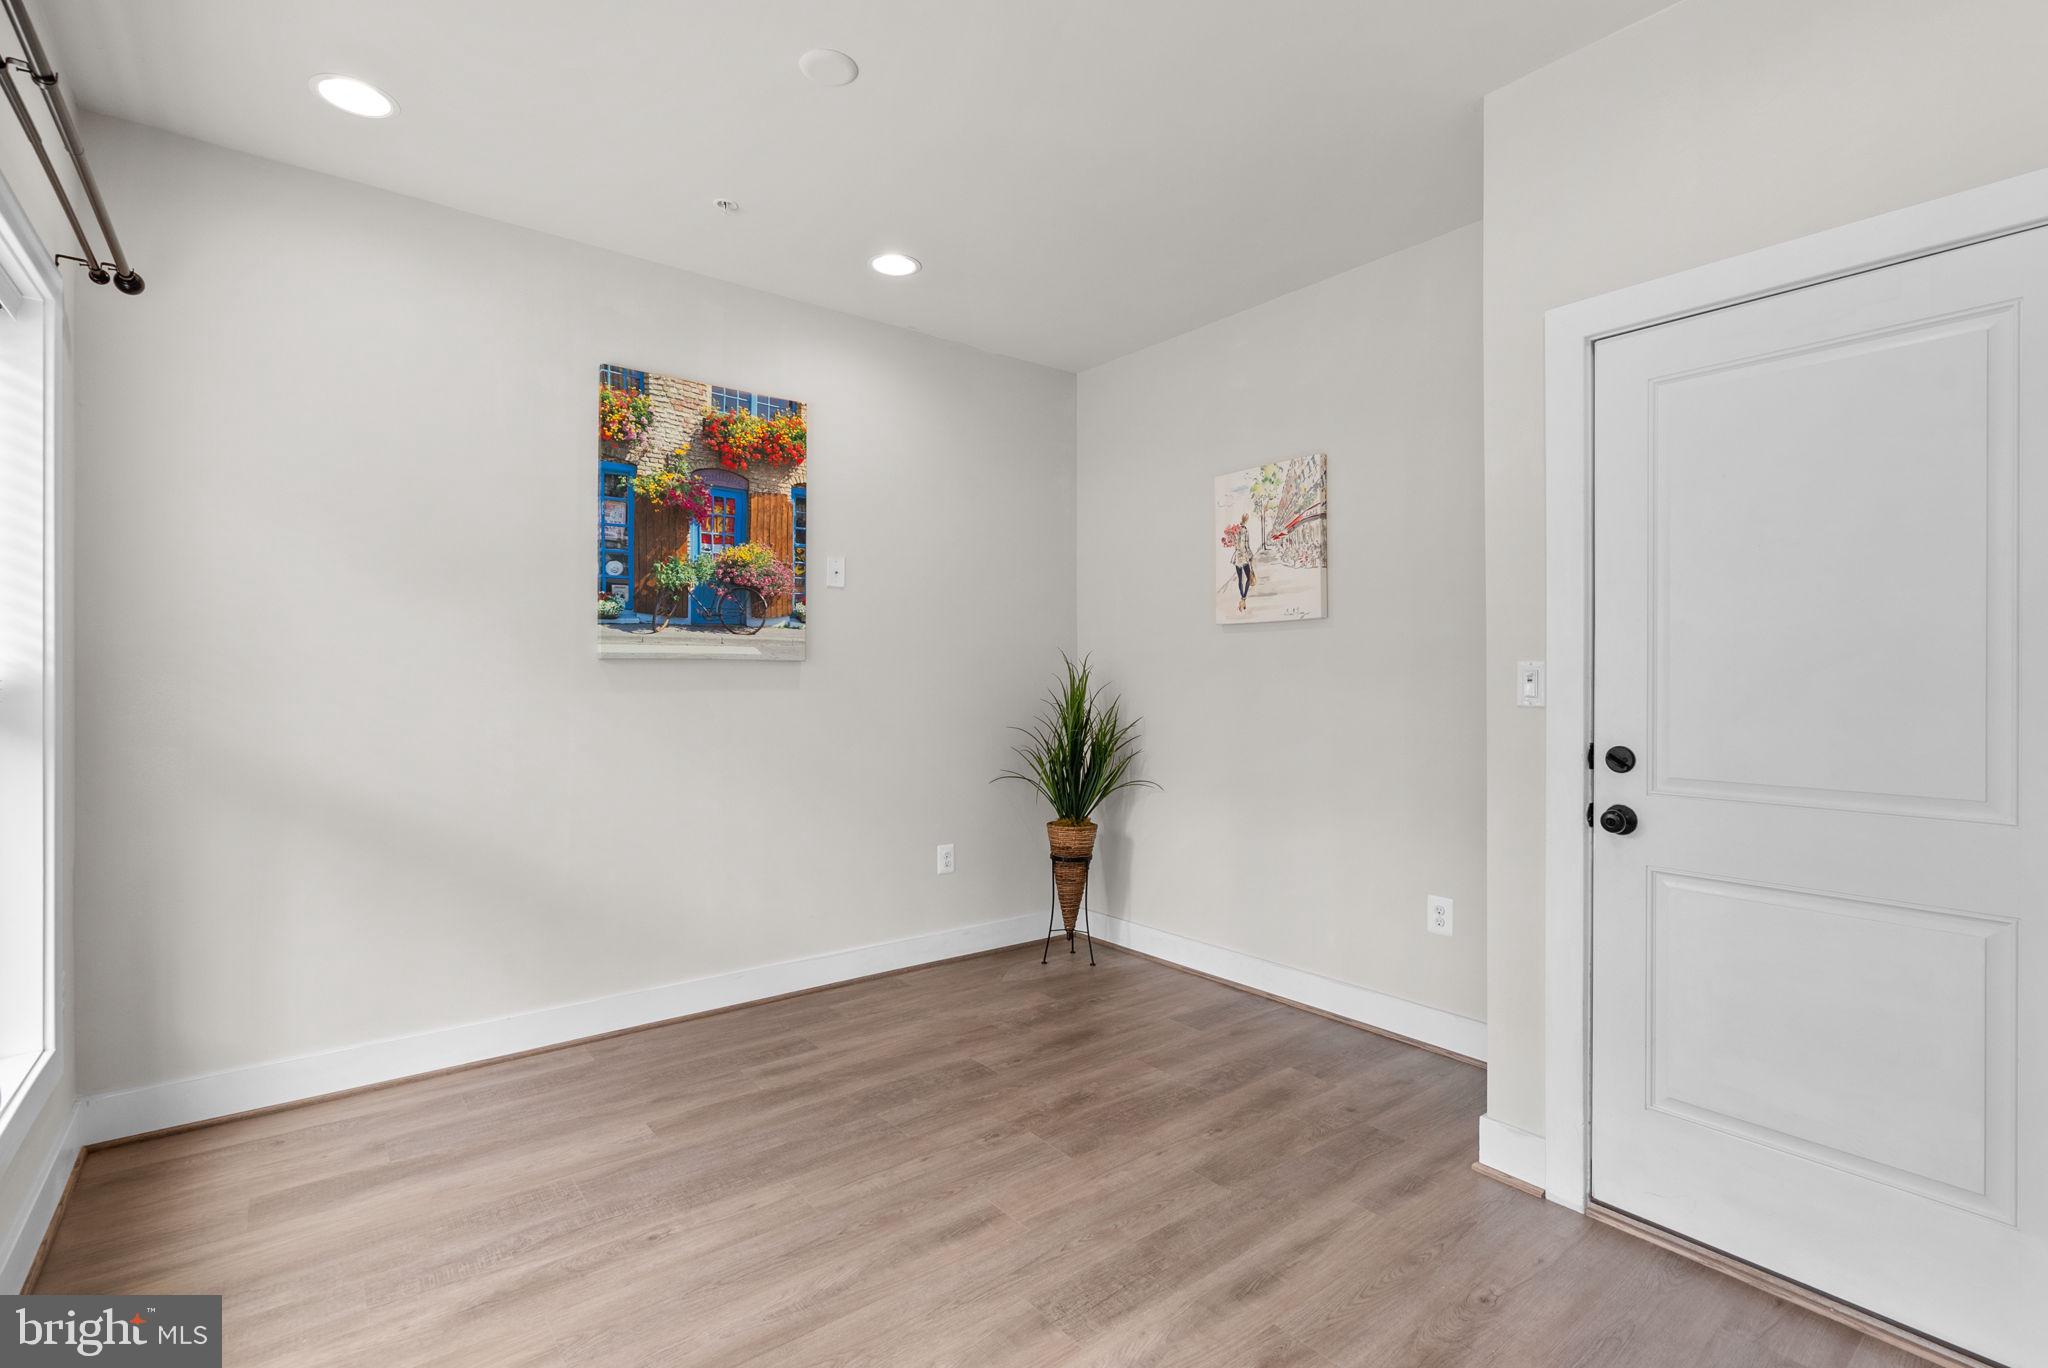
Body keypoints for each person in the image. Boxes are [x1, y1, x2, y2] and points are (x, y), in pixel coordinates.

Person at [1228, 511, 1254, 612]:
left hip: (1237, 556)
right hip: (1243, 556)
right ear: (1246, 520)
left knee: (1240, 579)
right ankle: (1243, 599)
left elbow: (1235, 544)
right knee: (1248, 578)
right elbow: (1246, 546)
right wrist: (1250, 556)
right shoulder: (1245, 530)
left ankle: (1242, 599)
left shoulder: (1236, 530)